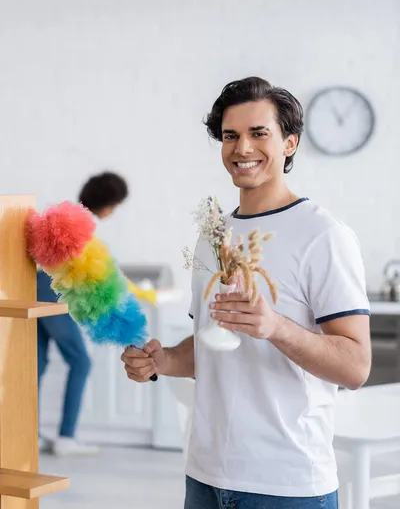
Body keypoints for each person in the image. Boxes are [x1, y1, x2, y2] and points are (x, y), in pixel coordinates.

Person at [121, 77, 372, 509]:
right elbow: (214, 350)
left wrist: (275, 327)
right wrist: (162, 361)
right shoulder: (212, 236)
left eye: (259, 134)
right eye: (230, 135)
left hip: (288, 485)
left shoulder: (324, 235)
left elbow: (355, 366)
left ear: (289, 143)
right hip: (204, 477)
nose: (242, 148)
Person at [37, 171, 129, 456]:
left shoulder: (66, 214)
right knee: (81, 362)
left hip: (34, 286)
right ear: (109, 205)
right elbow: (86, 271)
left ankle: (26, 434)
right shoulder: (85, 227)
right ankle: (66, 436)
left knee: (37, 365)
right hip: (52, 292)